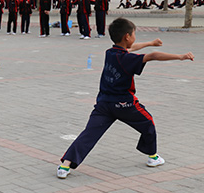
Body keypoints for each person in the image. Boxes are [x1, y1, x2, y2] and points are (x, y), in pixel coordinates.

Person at [57, 18, 194, 179]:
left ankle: (65, 165)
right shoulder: (127, 59)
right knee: (148, 122)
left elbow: (131, 48)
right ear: (128, 36)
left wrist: (149, 42)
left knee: (89, 134)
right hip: (125, 105)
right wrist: (180, 56)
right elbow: (153, 56)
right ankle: (153, 157)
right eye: (135, 34)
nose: (135, 38)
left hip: (103, 104)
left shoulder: (110, 53)